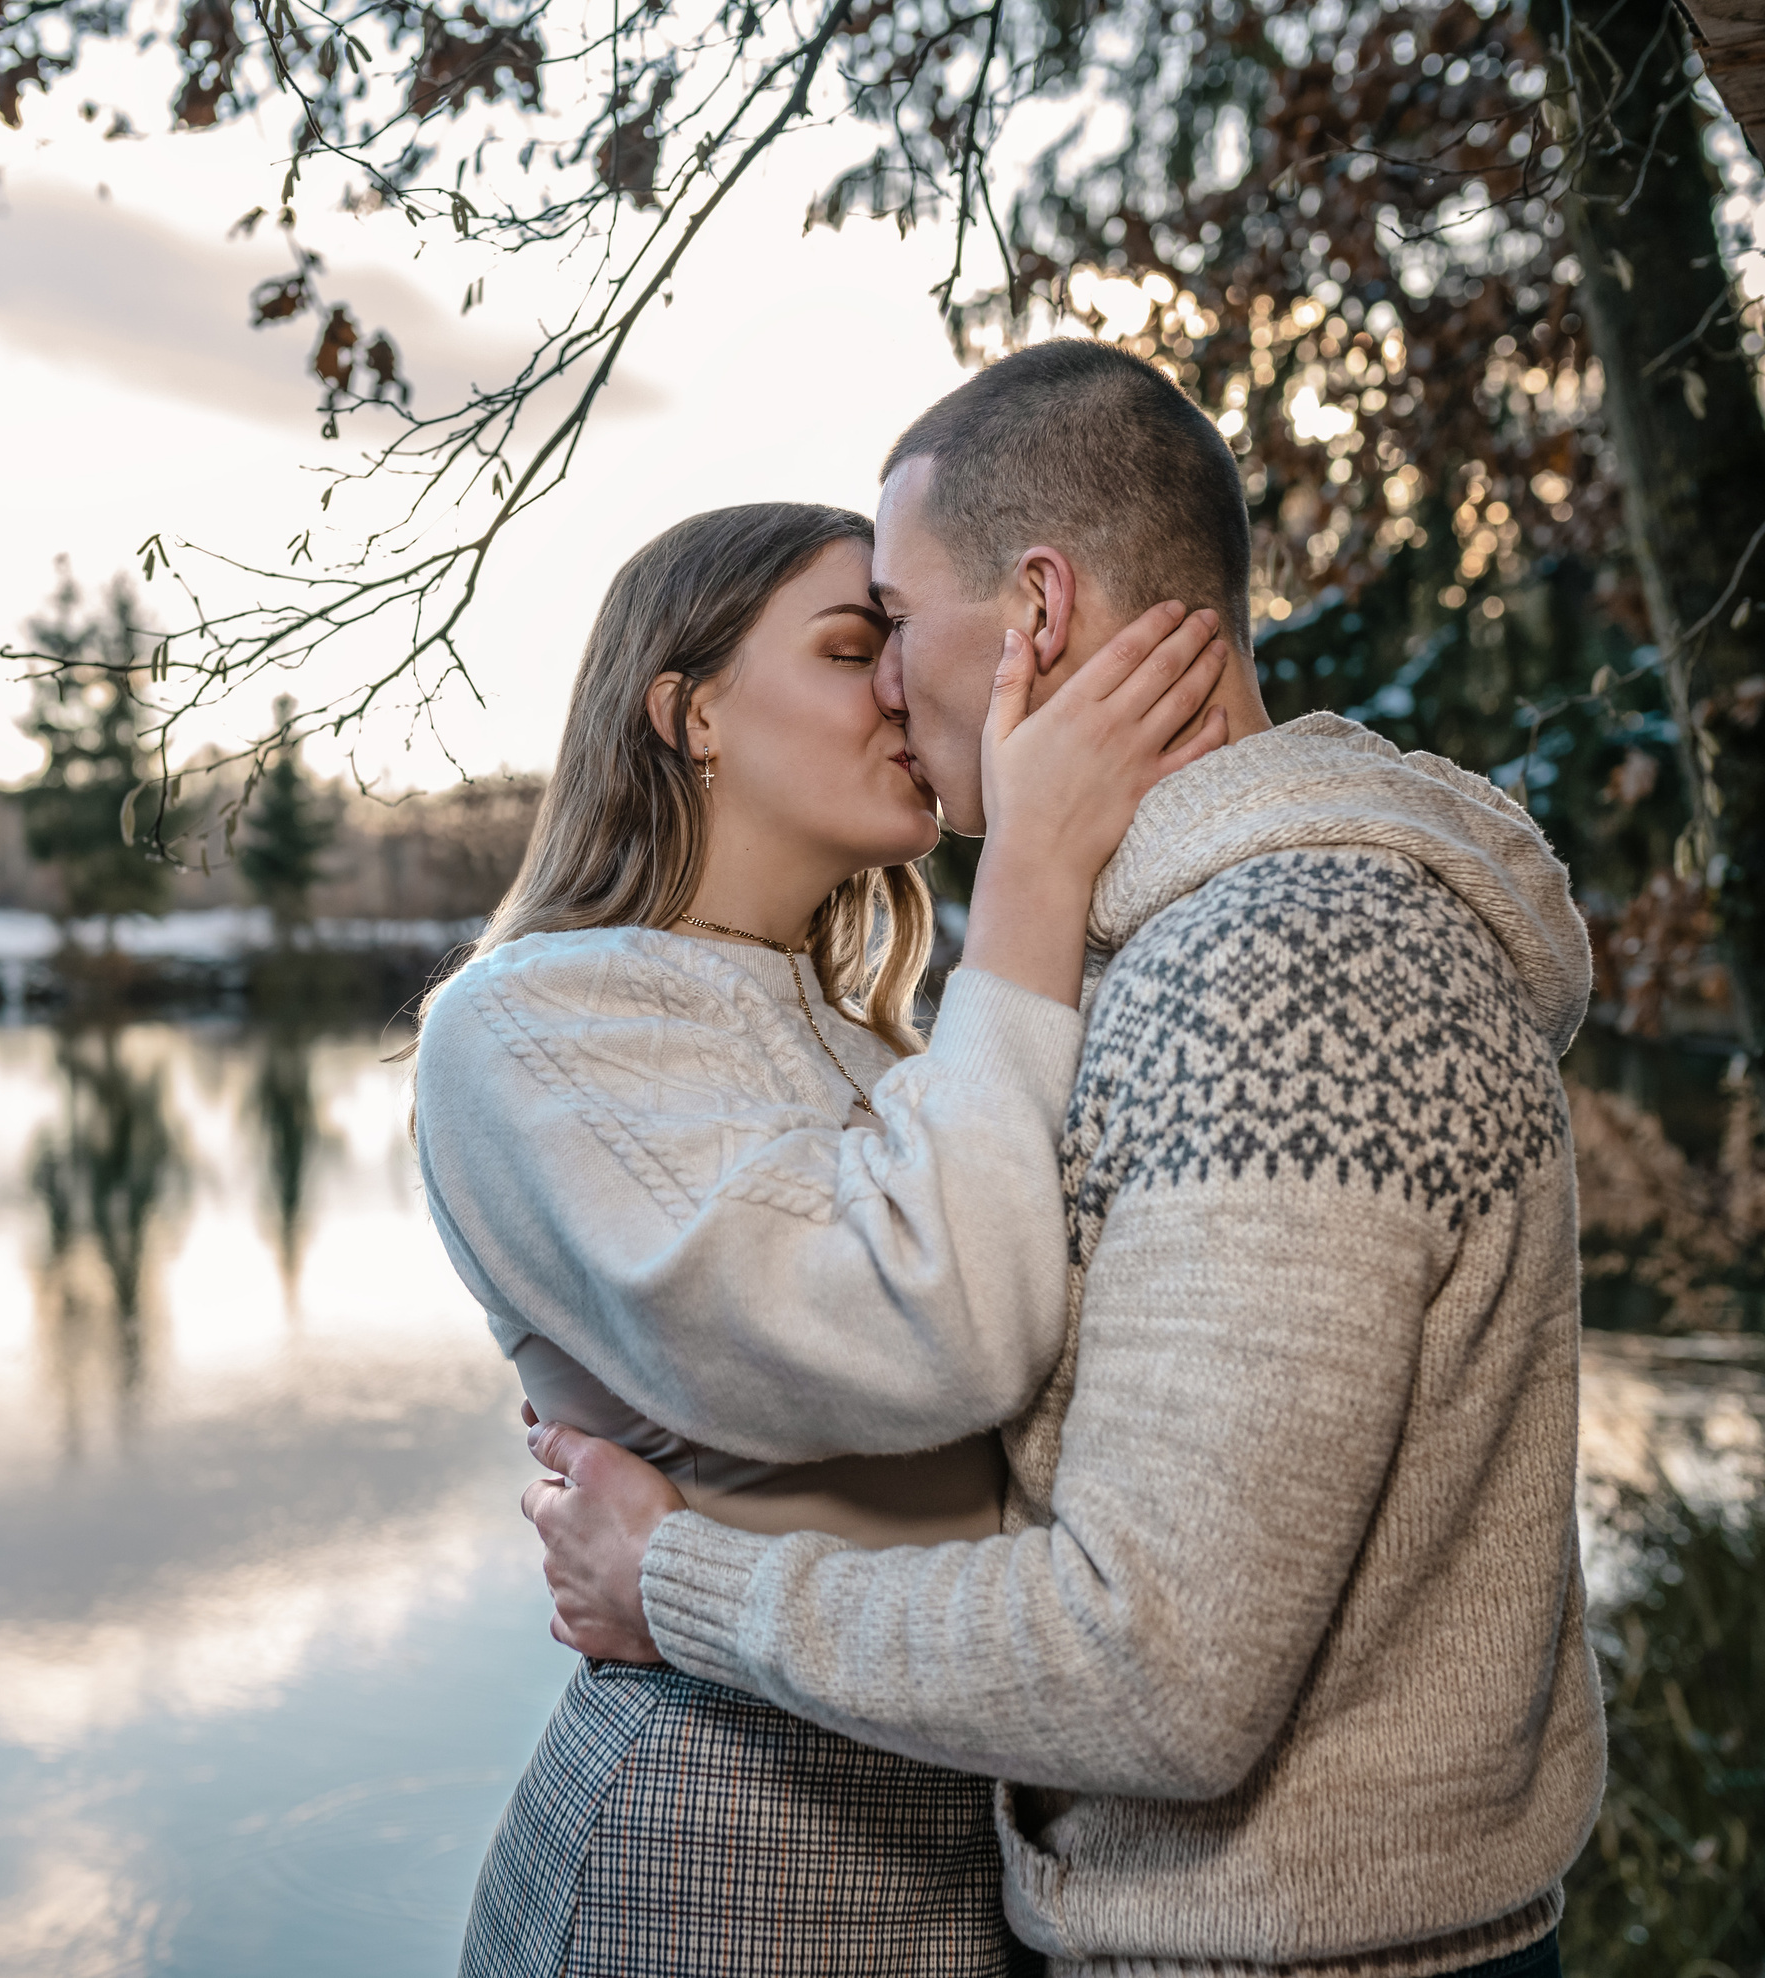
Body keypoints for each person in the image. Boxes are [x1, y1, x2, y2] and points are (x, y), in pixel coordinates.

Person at [524, 339, 1605, 1978]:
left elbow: (1154, 1667)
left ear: (1033, 612)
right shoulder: (1183, 955)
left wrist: (673, 1577)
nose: (886, 680)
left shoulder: (1281, 969)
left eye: (892, 620)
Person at [415, 495, 1234, 1974]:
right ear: (691, 711)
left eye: (905, 646)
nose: (906, 689)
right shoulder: (528, 1024)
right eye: (853, 646)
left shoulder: (896, 1048)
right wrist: (1032, 874)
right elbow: (933, 1330)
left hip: (974, 1856)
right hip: (716, 1849)